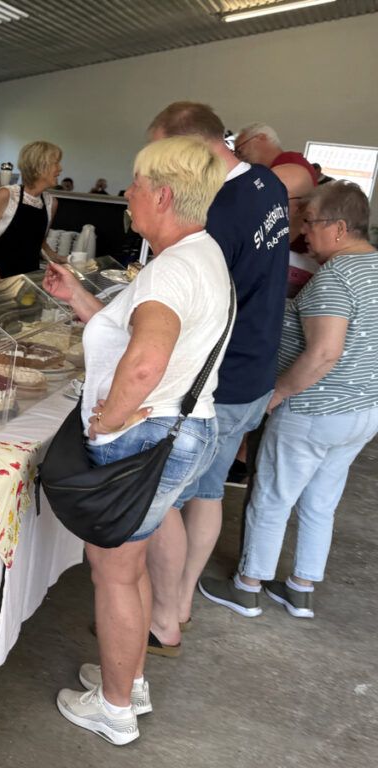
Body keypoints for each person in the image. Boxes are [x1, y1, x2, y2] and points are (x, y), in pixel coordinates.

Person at [43, 136, 229, 745]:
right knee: (133, 561)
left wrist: (109, 418)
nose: (127, 193)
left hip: (145, 436)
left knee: (115, 572)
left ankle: (115, 709)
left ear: (164, 196)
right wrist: (78, 297)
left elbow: (146, 360)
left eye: (137, 184)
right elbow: (134, 336)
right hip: (182, 429)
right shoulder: (199, 254)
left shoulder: (170, 270)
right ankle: (132, 680)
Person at [142, 102, 290, 654]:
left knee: (162, 500)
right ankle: (179, 603)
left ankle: (161, 617)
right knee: (207, 491)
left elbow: (191, 302)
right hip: (255, 368)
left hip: (217, 378)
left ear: (191, 146)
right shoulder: (265, 183)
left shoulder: (219, 208)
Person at [200, 182, 378, 620]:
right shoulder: (373, 266)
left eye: (310, 222)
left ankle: (248, 586)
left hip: (314, 410)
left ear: (339, 228)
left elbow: (323, 354)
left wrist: (278, 393)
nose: (303, 232)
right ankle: (301, 588)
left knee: (272, 496)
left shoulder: (336, 277)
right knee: (321, 500)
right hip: (362, 410)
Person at [234, 122, 318, 296]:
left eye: (240, 150)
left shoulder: (290, 164)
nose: (239, 157)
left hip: (292, 258)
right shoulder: (274, 170)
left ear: (261, 138)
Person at [0, 141, 62, 285]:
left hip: (26, 281)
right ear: (39, 167)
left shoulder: (51, 203)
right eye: (56, 163)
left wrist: (57, 258)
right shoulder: (7, 195)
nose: (60, 168)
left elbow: (39, 241)